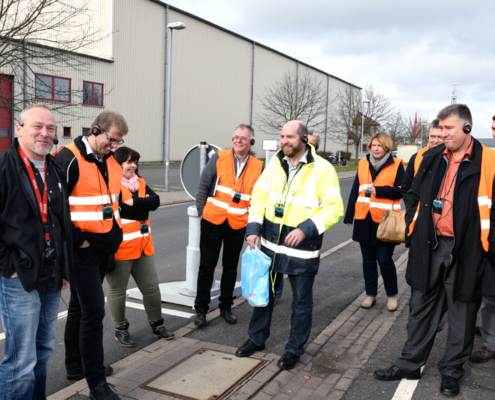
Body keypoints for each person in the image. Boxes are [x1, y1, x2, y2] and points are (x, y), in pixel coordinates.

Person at [374, 104, 495, 397]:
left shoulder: (489, 160)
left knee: (462, 316)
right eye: (439, 128)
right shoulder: (430, 157)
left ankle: (452, 372)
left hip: (469, 250)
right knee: (421, 310)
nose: (442, 134)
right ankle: (409, 364)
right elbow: (411, 193)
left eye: (448, 129)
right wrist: (416, 229)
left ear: (467, 128)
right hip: (430, 246)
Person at [235, 120, 344, 371]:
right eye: (282, 136)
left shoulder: (323, 169)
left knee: (301, 303)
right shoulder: (274, 164)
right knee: (264, 297)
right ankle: (256, 339)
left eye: (290, 137)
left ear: (304, 139)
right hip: (270, 245)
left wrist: (305, 229)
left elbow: (334, 209)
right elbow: (259, 198)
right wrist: (252, 229)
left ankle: (294, 349)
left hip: (301, 249)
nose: (284, 141)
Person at [0, 104, 72, 400]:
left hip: (51, 276)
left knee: (42, 351)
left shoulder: (55, 168)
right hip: (20, 277)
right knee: (21, 361)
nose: (45, 133)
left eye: (51, 128)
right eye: (37, 126)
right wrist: (8, 265)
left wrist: (63, 269)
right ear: (19, 129)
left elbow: (60, 222)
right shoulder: (5, 167)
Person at [55, 111, 129, 400]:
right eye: (112, 140)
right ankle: (96, 383)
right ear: (95, 130)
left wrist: (114, 238)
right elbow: (55, 208)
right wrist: (79, 241)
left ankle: (76, 366)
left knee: (79, 308)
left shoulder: (111, 163)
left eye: (119, 142)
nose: (114, 147)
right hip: (81, 252)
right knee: (94, 313)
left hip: (103, 249)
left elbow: (113, 203)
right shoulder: (67, 157)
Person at [194, 124, 263, 326]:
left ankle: (226, 308)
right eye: (235, 137)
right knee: (206, 267)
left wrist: (253, 227)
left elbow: (259, 199)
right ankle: (201, 310)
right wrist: (200, 213)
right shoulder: (219, 157)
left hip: (238, 224)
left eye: (243, 138)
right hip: (212, 221)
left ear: (251, 143)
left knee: (230, 269)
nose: (238, 141)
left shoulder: (259, 166)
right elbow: (203, 186)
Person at [106, 147, 174, 347]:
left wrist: (135, 203)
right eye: (129, 161)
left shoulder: (140, 182)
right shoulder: (111, 185)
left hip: (144, 246)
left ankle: (157, 325)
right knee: (118, 290)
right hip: (120, 249)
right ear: (118, 164)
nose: (133, 165)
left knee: (151, 288)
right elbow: (131, 211)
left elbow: (155, 202)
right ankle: (121, 329)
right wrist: (141, 205)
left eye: (135, 161)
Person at [343, 132, 404, 312]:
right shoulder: (363, 163)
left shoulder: (397, 164)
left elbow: (402, 191)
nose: (376, 148)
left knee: (384, 260)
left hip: (386, 222)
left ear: (387, 147)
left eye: (380, 145)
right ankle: (370, 294)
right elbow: (356, 190)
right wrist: (349, 216)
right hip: (364, 219)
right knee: (368, 261)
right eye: (373, 145)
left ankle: (392, 295)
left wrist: (381, 190)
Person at [470, 113, 495, 364]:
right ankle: (490, 342)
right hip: (489, 238)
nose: (494, 132)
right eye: (493, 128)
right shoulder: (490, 158)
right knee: (490, 297)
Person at [401, 119, 443, 207]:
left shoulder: (453, 159)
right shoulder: (416, 157)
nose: (435, 141)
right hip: (419, 213)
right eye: (432, 136)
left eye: (439, 137)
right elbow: (405, 187)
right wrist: (411, 209)